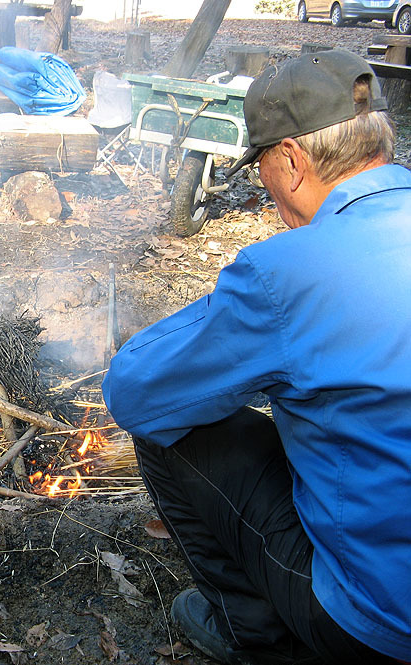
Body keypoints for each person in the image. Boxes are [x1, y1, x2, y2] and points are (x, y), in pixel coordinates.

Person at [102, 48, 411, 665]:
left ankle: (261, 641)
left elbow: (134, 391)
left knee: (174, 429)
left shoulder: (291, 274)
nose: (266, 192)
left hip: (381, 626)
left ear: (291, 161)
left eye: (262, 168)